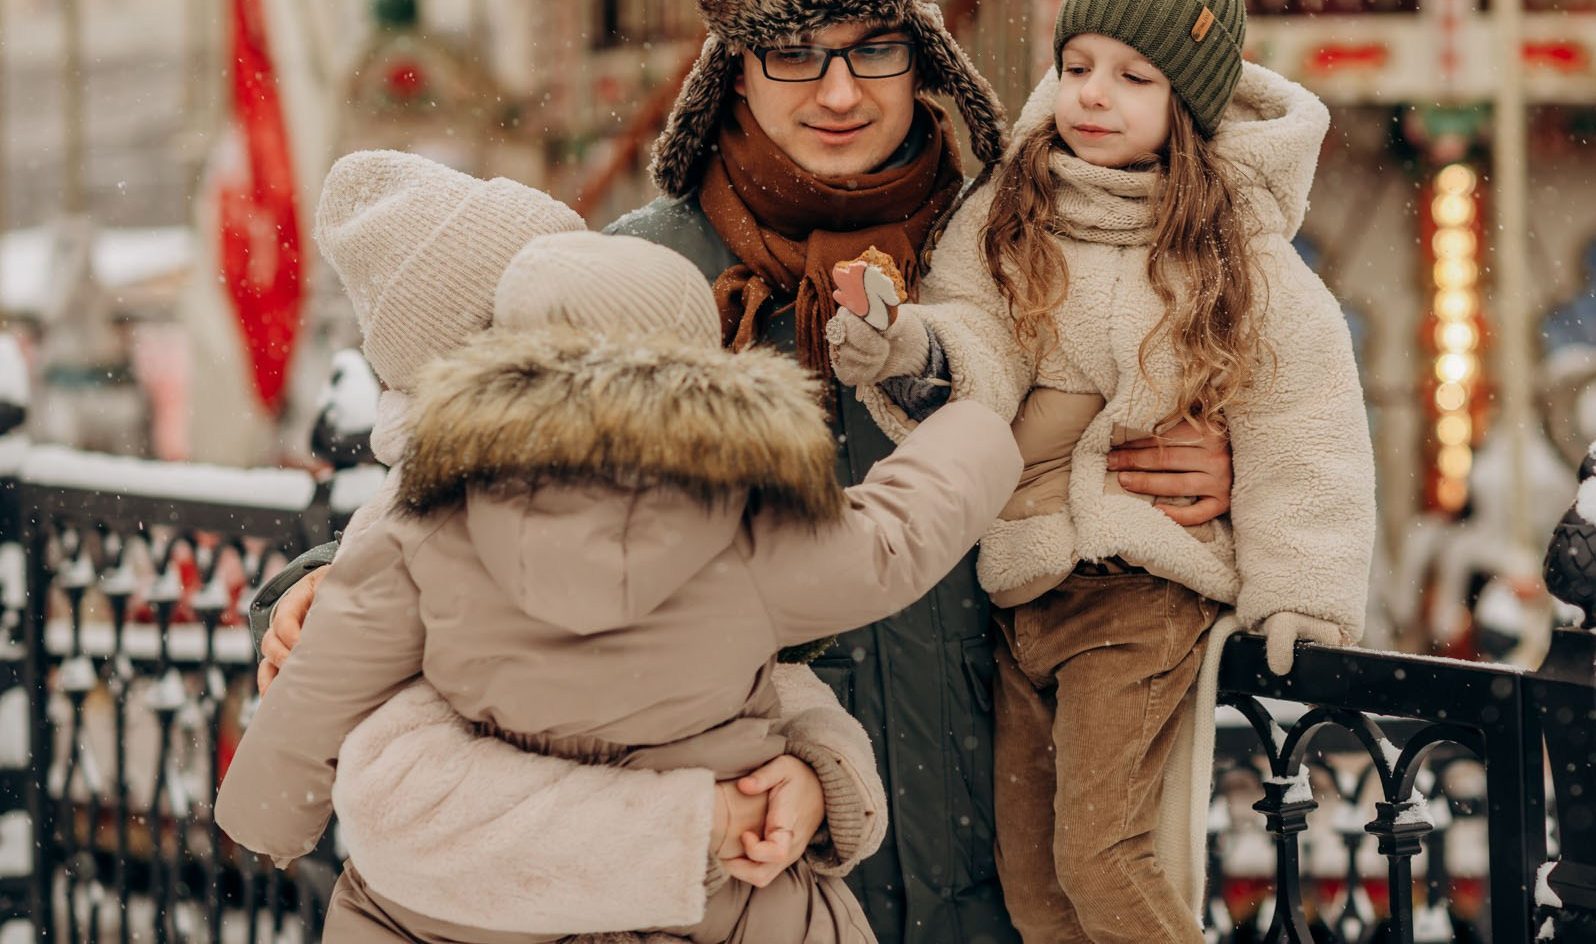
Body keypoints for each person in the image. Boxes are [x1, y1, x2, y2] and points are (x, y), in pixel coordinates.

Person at [255, 0, 1235, 944]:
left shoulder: (1019, 252)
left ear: (922, 55)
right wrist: (320, 588)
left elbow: (1175, 379)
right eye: (793, 52)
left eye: (872, 46)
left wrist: (1221, 464)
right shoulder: (632, 275)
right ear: (735, 65)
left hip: (996, 844)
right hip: (746, 863)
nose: (838, 91)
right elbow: (473, 494)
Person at [220, 223, 1025, 943]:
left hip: (479, 918)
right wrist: (977, 426)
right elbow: (898, 535)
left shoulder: (427, 522)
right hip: (718, 906)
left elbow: (327, 680)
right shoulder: (755, 525)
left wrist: (269, 809)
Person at [827, 0, 1376, 944]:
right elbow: (978, 335)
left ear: (1187, 102)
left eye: (1133, 78)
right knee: (1034, 885)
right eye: (1077, 65)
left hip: (1139, 589)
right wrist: (906, 350)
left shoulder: (1235, 257)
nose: (1092, 95)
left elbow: (1299, 422)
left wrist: (1299, 587)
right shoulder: (1012, 210)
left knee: (1101, 853)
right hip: (1024, 583)